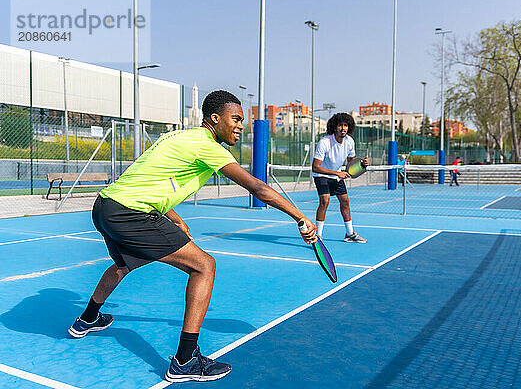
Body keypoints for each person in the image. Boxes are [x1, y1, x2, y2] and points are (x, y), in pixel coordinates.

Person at [67, 90, 317, 383]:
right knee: (204, 266)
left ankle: (87, 318)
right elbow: (258, 189)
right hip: (130, 213)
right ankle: (185, 361)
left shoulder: (177, 137)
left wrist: (173, 217)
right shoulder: (209, 146)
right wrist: (300, 217)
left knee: (124, 265)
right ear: (215, 118)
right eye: (235, 119)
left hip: (106, 206)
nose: (240, 126)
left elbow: (149, 179)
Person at [311, 112, 368, 243]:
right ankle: (318, 235)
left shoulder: (349, 142)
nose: (343, 128)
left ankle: (350, 234)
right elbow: (315, 167)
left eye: (346, 125)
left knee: (345, 202)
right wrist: (337, 173)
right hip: (321, 175)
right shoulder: (324, 142)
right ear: (334, 127)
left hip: (336, 175)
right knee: (324, 201)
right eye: (340, 125)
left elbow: (351, 163)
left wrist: (361, 164)